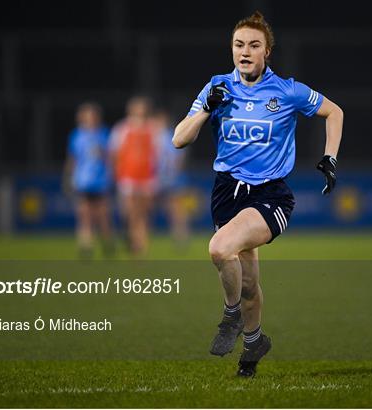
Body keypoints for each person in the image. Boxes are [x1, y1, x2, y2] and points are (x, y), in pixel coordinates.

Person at [172, 12, 343, 377]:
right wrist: (206, 108)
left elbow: (334, 112)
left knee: (219, 248)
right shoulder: (217, 87)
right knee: (248, 283)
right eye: (238, 45)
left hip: (270, 195)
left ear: (267, 52)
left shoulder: (287, 91)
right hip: (226, 194)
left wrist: (330, 157)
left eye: (253, 45)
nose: (245, 52)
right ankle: (253, 346)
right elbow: (179, 139)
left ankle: (230, 316)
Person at [63, 102, 114, 258]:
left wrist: (112, 174)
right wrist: (67, 177)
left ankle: (107, 245)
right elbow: (72, 159)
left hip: (100, 180)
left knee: (103, 215)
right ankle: (86, 247)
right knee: (84, 215)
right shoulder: (76, 135)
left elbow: (111, 157)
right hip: (83, 180)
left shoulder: (104, 134)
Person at [109, 96, 157, 256]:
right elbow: (114, 153)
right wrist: (116, 173)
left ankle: (140, 246)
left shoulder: (152, 128)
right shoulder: (122, 129)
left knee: (143, 213)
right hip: (128, 177)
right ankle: (131, 237)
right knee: (129, 213)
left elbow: (156, 154)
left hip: (146, 178)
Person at [153, 109, 190, 247]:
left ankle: (180, 237)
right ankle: (180, 237)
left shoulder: (163, 137)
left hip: (168, 178)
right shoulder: (170, 135)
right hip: (167, 178)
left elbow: (178, 159)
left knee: (176, 210)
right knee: (174, 210)